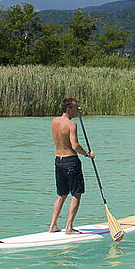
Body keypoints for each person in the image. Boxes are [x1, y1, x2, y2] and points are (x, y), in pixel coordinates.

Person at [47, 98, 94, 233]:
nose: (78, 109)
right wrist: (87, 154)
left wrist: (78, 114)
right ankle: (69, 227)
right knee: (76, 194)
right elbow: (75, 145)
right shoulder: (71, 125)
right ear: (68, 109)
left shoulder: (54, 121)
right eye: (75, 107)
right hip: (71, 161)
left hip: (58, 160)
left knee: (62, 194)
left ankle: (53, 226)